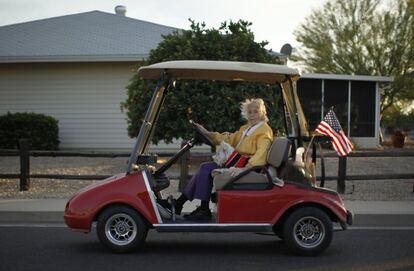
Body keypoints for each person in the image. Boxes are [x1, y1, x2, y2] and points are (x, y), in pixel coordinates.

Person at [164, 98, 273, 221]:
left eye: (256, 111)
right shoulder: (247, 128)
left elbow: (261, 154)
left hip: (250, 168)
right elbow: (229, 139)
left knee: (205, 168)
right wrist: (208, 133)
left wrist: (244, 169)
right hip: (238, 164)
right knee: (205, 168)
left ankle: (195, 208)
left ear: (263, 113)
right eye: (250, 112)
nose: (252, 115)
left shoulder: (264, 131)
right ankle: (187, 205)